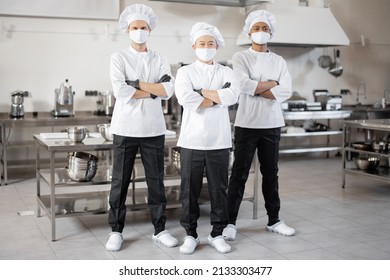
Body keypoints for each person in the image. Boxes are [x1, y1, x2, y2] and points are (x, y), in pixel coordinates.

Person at [105, 3, 178, 252]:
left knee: (156, 181)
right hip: (125, 128)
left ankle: (160, 229)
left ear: (150, 30)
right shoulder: (118, 57)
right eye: (135, 27)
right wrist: (152, 89)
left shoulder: (160, 57)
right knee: (120, 182)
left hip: (153, 129)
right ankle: (116, 230)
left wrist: (135, 84)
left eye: (143, 27)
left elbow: (168, 90)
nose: (139, 31)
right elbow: (120, 91)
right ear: (127, 30)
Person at [223, 10, 295, 241]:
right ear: (249, 32)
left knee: (271, 174)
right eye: (257, 28)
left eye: (265, 29)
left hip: (272, 124)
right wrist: (272, 85)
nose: (261, 32)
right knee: (239, 174)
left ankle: (274, 220)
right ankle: (229, 223)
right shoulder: (240, 58)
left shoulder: (279, 60)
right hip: (246, 124)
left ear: (271, 32)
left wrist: (258, 87)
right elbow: (242, 85)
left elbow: (286, 91)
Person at [175, 22, 239, 255]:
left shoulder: (227, 72)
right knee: (188, 191)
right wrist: (215, 96)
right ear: (194, 46)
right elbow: (185, 98)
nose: (206, 47)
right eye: (202, 43)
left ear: (217, 46)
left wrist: (200, 92)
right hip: (191, 140)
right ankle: (190, 235)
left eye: (210, 43)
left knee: (219, 190)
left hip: (219, 141)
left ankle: (217, 234)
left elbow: (232, 96)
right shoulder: (185, 72)